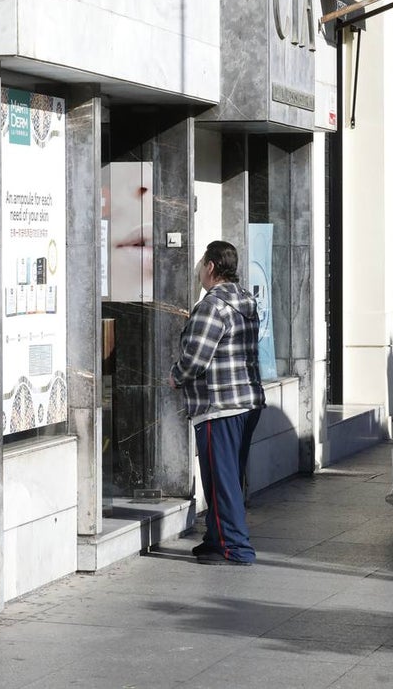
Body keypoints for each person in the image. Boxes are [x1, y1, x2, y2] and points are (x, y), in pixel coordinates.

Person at [168, 241, 265, 566]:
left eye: (200, 264)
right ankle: (216, 538)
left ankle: (235, 547)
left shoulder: (212, 306)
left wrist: (175, 376)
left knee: (221, 479)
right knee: (229, 476)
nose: (197, 270)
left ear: (210, 267)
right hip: (246, 401)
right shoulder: (246, 301)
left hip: (219, 404)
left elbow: (196, 357)